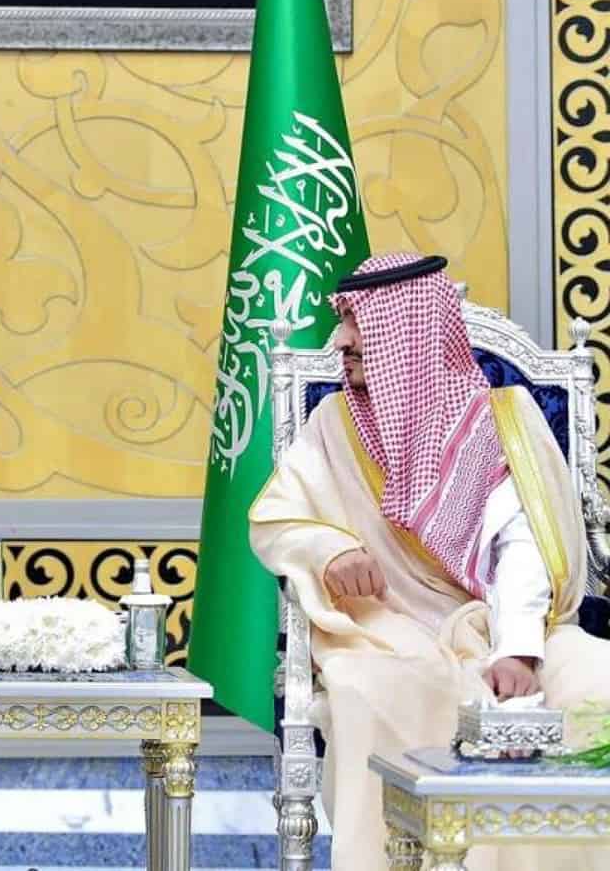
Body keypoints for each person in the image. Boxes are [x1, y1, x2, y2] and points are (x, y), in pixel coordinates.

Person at [250, 252, 610, 870]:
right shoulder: (333, 425)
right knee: (374, 687)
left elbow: (524, 547)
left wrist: (518, 650)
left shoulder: (502, 422)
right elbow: (278, 517)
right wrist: (331, 551)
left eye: (358, 327)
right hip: (388, 628)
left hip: (506, 623)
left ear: (409, 337)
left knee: (593, 682)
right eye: (344, 324)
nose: (341, 342)